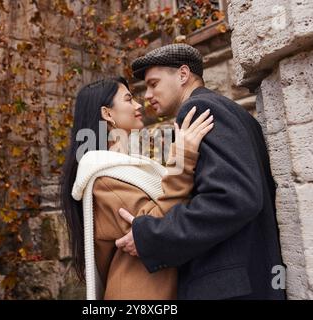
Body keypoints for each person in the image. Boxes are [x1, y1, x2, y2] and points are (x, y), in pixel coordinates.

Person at [115, 43, 287, 300]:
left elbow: (233, 198)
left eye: (153, 83)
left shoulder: (197, 111)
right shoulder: (233, 110)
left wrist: (151, 236)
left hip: (227, 288)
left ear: (183, 75)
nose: (147, 95)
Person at [60, 77, 214, 299]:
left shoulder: (132, 167)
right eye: (128, 99)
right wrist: (183, 155)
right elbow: (157, 226)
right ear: (107, 114)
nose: (139, 105)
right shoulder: (103, 177)